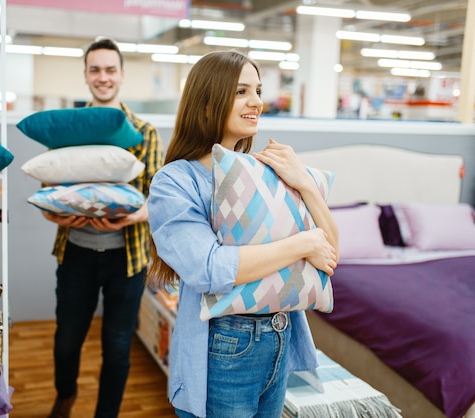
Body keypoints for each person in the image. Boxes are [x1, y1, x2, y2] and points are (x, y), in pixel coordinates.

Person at [147, 50, 339, 418]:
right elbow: (209, 269)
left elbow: (330, 257)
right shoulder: (175, 182)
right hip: (225, 343)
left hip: (279, 334)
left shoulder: (268, 174)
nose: (257, 102)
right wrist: (303, 243)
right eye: (241, 92)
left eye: (258, 90)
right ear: (206, 104)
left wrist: (306, 186)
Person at [41, 37, 163, 418]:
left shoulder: (144, 132)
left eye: (110, 69)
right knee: (66, 340)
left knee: (118, 345)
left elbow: (157, 198)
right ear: (85, 75)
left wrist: (133, 215)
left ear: (122, 75)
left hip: (126, 261)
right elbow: (50, 187)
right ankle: (66, 396)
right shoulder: (69, 128)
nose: (103, 77)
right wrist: (55, 215)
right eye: (95, 69)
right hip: (75, 251)